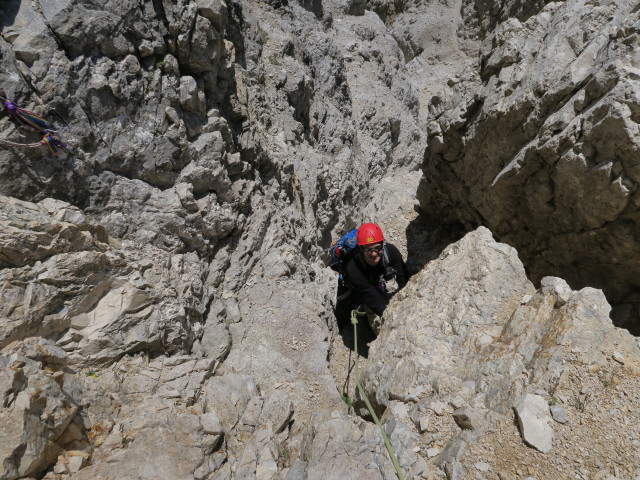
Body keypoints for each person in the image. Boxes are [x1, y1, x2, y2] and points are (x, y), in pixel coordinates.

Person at [337, 222, 410, 335]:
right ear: (360, 249)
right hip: (354, 285)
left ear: (382, 244)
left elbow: (403, 279)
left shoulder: (391, 252)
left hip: (374, 278)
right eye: (368, 250)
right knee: (344, 313)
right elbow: (371, 297)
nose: (374, 253)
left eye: (377, 248)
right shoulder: (353, 268)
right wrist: (390, 317)